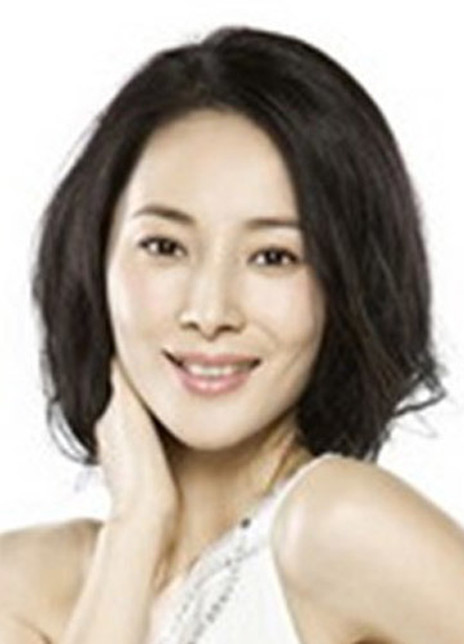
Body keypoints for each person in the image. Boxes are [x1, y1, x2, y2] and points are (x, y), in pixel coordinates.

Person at [0, 24, 463, 644]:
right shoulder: (24, 584)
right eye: (164, 246)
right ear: (94, 259)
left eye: (274, 257)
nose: (210, 310)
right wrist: (137, 525)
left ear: (345, 285)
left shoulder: (339, 527)